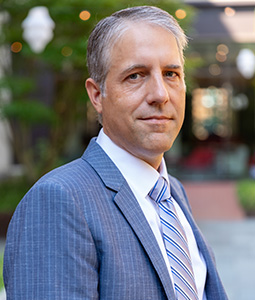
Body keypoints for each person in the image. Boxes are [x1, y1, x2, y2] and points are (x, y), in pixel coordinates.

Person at [4, 6, 228, 300]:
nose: (160, 94)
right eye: (136, 76)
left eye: (171, 73)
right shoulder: (59, 200)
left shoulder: (172, 193)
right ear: (97, 95)